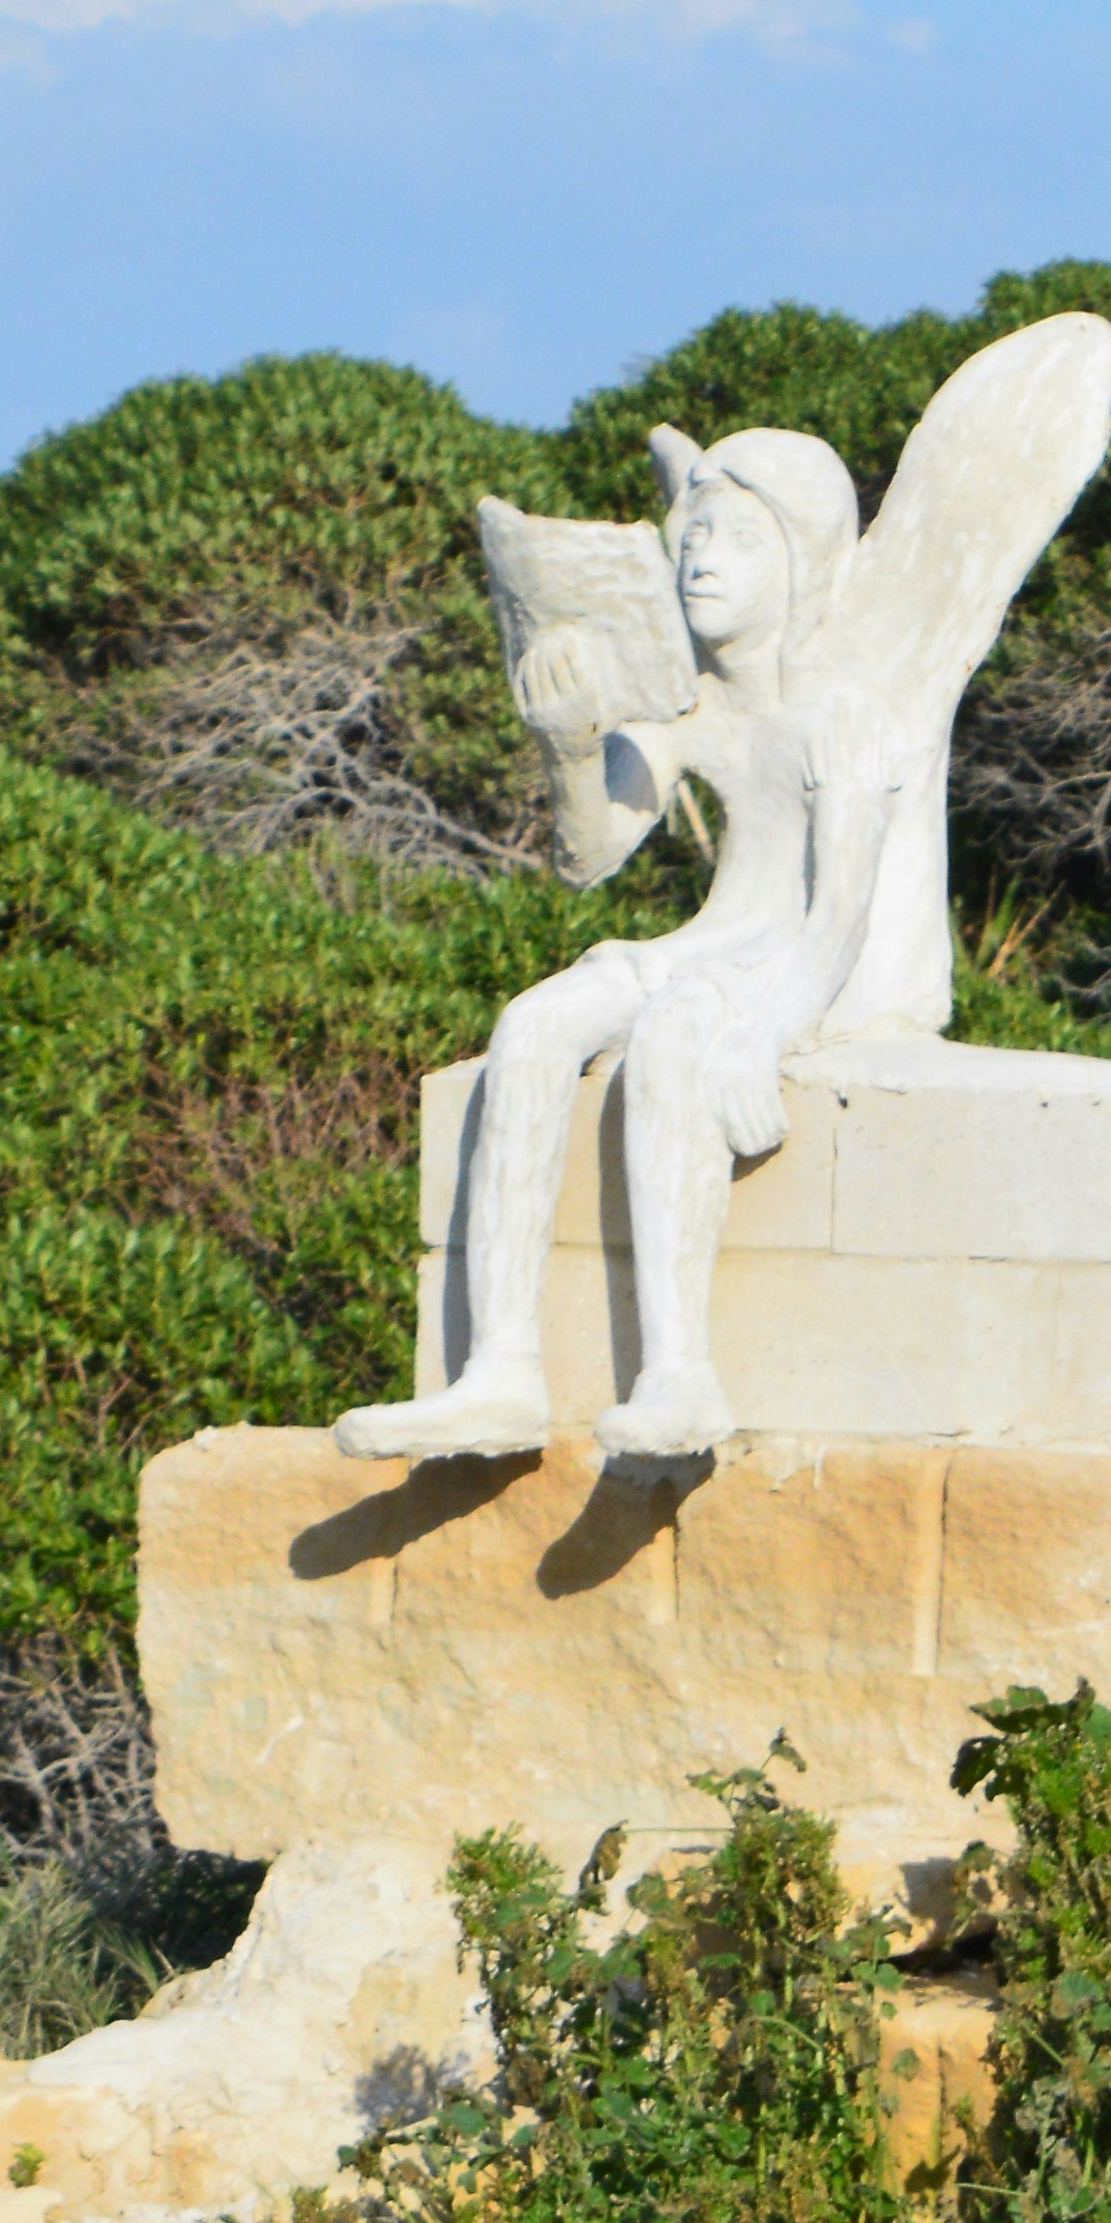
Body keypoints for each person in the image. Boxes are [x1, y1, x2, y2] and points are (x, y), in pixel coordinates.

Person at [335, 425, 897, 1468]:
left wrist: (767, 1027)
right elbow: (590, 852)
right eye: (692, 533)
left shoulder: (842, 713)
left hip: (771, 967)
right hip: (700, 943)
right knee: (536, 1019)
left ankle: (680, 1375)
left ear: (802, 559)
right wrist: (572, 743)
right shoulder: (687, 708)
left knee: (681, 1028)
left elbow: (842, 914)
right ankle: (499, 1374)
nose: (701, 556)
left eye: (734, 535)